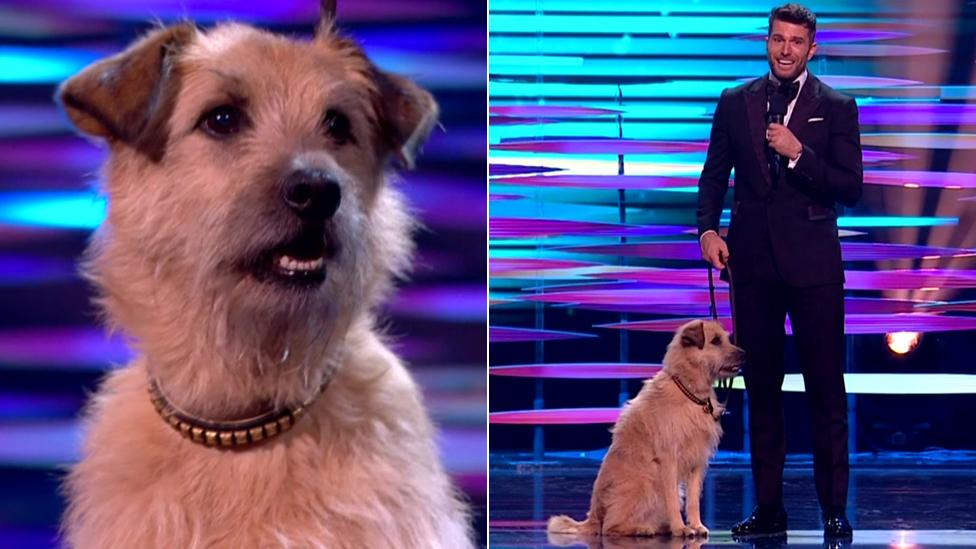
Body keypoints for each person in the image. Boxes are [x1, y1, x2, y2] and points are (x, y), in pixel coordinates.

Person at [696, 3, 862, 542]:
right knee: (762, 390)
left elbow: (850, 186)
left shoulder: (836, 107)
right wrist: (708, 231)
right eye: (778, 39)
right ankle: (769, 509)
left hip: (814, 267)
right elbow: (713, 177)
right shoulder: (735, 101)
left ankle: (834, 511)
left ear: (812, 48)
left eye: (796, 41)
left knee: (825, 391)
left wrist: (798, 154)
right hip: (753, 267)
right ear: (766, 42)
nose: (785, 49)